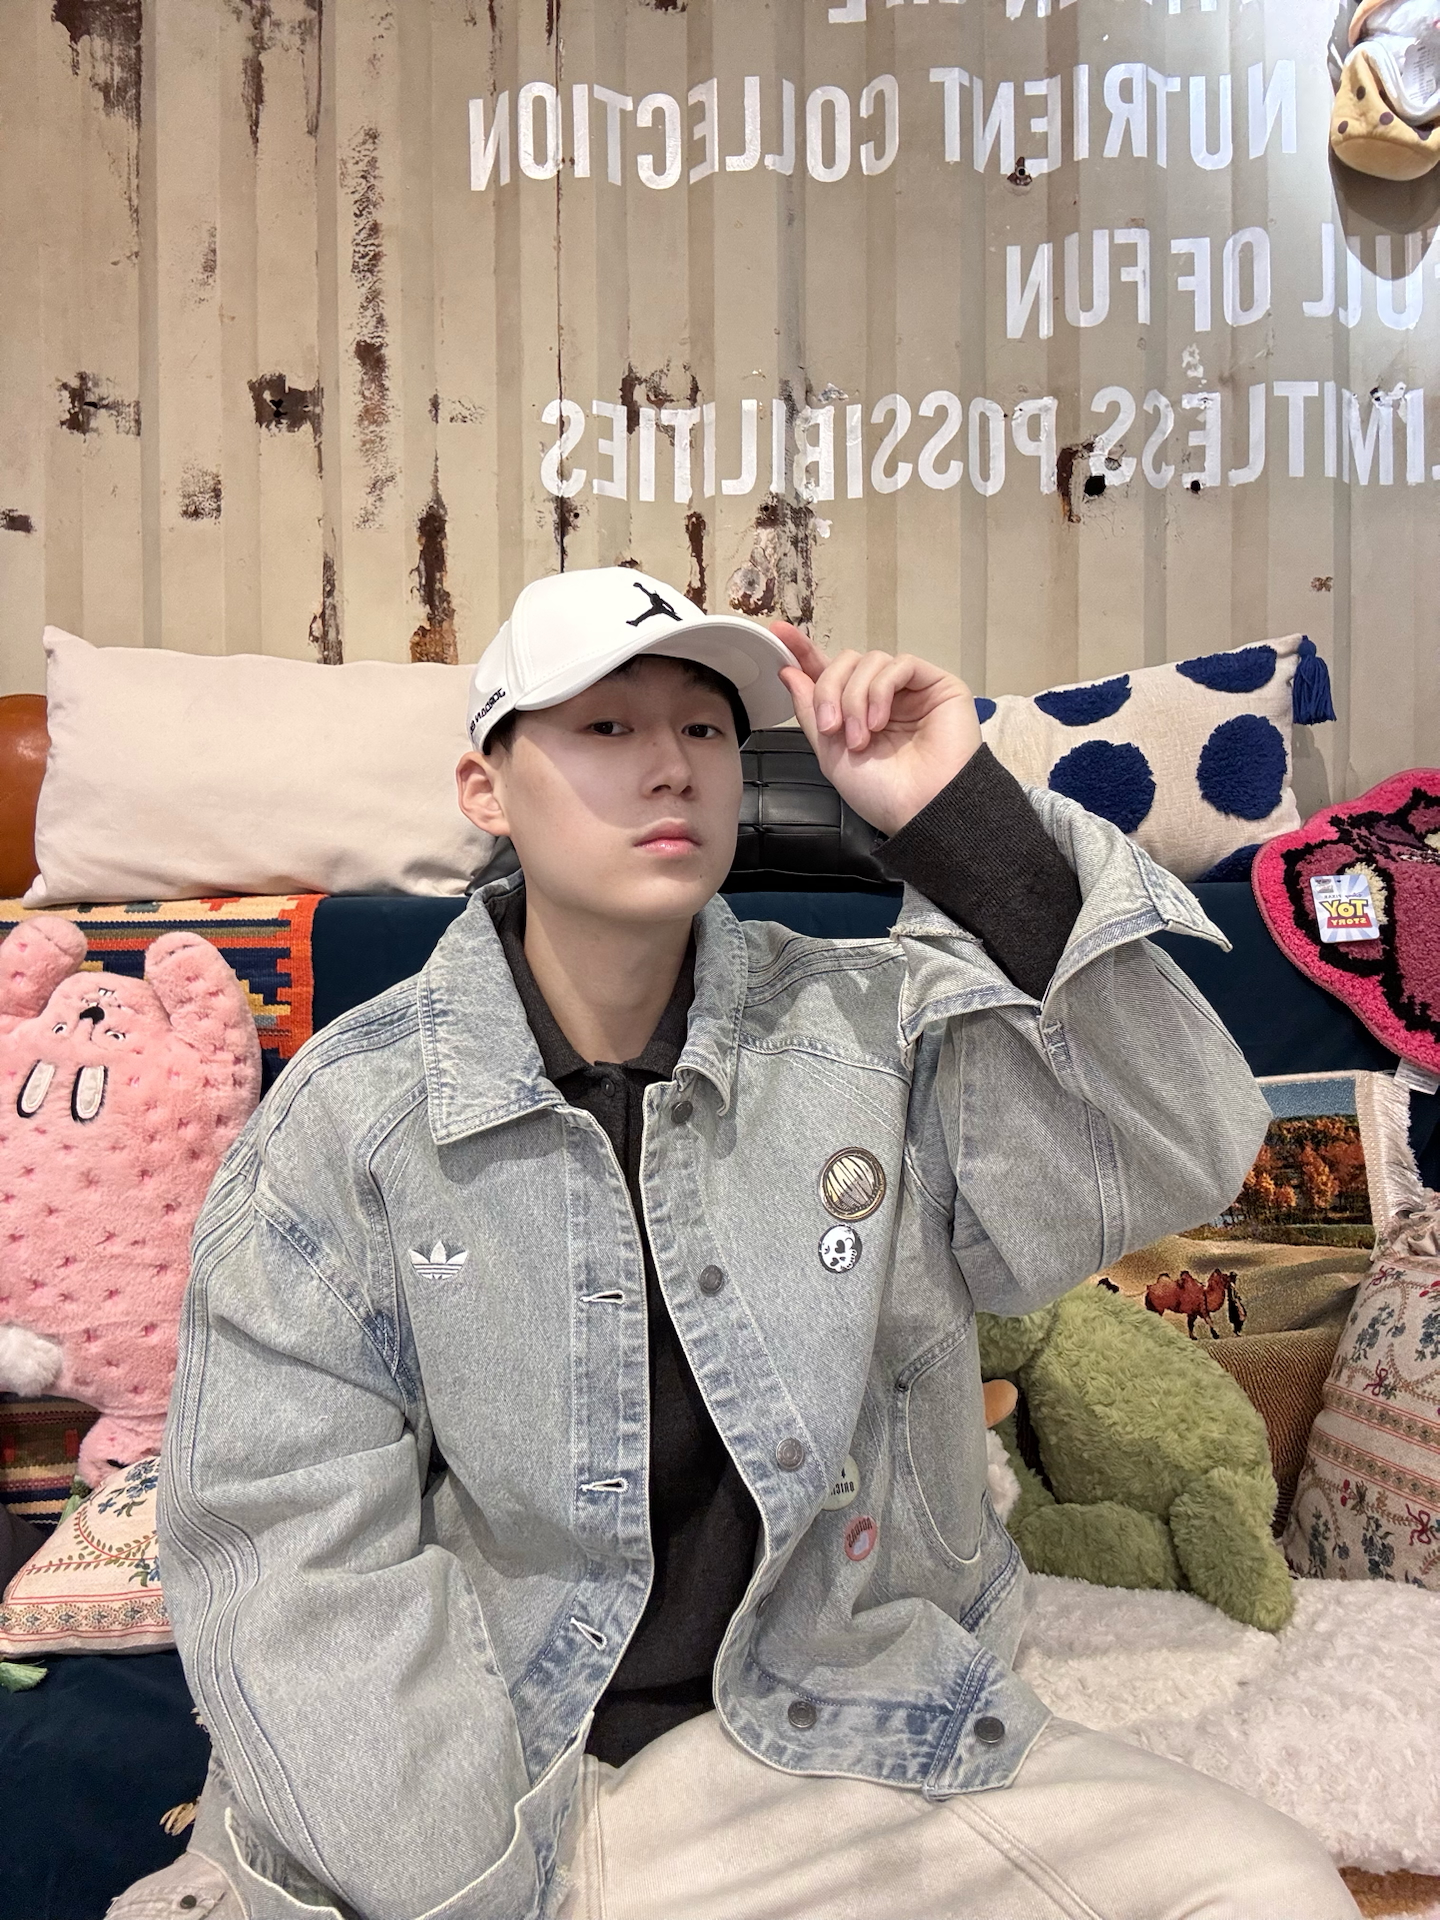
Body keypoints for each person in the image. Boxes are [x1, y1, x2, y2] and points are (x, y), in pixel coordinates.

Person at [115, 568, 1359, 1920]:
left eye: (705, 728)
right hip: (503, 1770)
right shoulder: (351, 1120)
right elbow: (286, 1542)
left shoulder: (869, 1033)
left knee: (1266, 1888)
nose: (672, 767)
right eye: (606, 727)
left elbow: (1176, 1143)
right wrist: (467, 1882)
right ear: (485, 789)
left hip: (840, 1732)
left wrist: (958, 815)